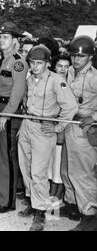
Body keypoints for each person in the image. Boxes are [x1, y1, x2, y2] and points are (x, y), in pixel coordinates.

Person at [17, 45, 78, 231]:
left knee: (38, 172)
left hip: (44, 131)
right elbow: (27, 102)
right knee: (25, 167)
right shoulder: (30, 78)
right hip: (27, 124)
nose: (35, 66)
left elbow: (71, 107)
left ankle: (40, 212)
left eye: (39, 63)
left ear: (48, 63)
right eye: (32, 63)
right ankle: (34, 202)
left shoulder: (56, 80)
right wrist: (23, 125)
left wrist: (57, 126)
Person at [0, 22, 28, 214]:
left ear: (15, 41)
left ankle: (7, 201)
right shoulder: (1, 59)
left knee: (7, 156)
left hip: (8, 111)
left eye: (5, 37)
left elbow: (17, 94)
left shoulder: (18, 61)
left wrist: (5, 116)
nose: (0, 40)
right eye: (0, 37)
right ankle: (0, 191)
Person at [62, 35, 97, 231]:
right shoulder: (68, 72)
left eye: (80, 57)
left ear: (90, 57)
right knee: (67, 171)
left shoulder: (94, 77)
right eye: (73, 55)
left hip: (83, 131)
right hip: (68, 126)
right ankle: (74, 207)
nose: (76, 60)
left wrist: (93, 117)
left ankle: (90, 219)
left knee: (83, 175)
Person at [48, 54, 72, 202]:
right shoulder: (49, 80)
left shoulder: (68, 83)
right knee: (48, 164)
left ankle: (55, 199)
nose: (63, 69)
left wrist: (59, 126)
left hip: (62, 128)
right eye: (59, 66)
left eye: (66, 66)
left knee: (58, 165)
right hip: (48, 127)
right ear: (54, 66)